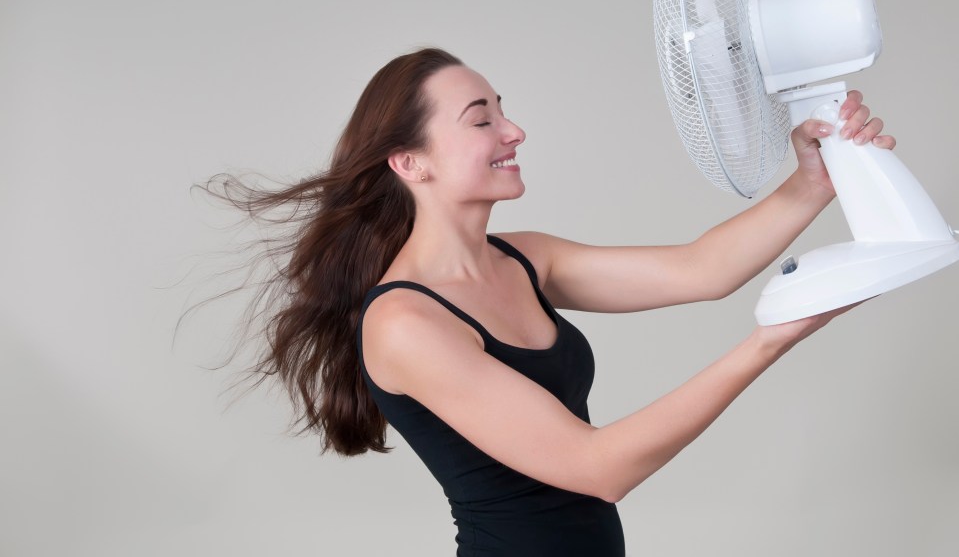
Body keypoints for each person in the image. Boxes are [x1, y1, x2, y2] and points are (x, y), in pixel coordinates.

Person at [201, 46, 895, 556]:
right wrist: (769, 340)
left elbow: (701, 269)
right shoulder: (405, 322)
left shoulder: (524, 258)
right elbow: (598, 467)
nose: (513, 131)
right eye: (482, 120)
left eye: (504, 110)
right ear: (410, 162)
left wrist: (812, 181)